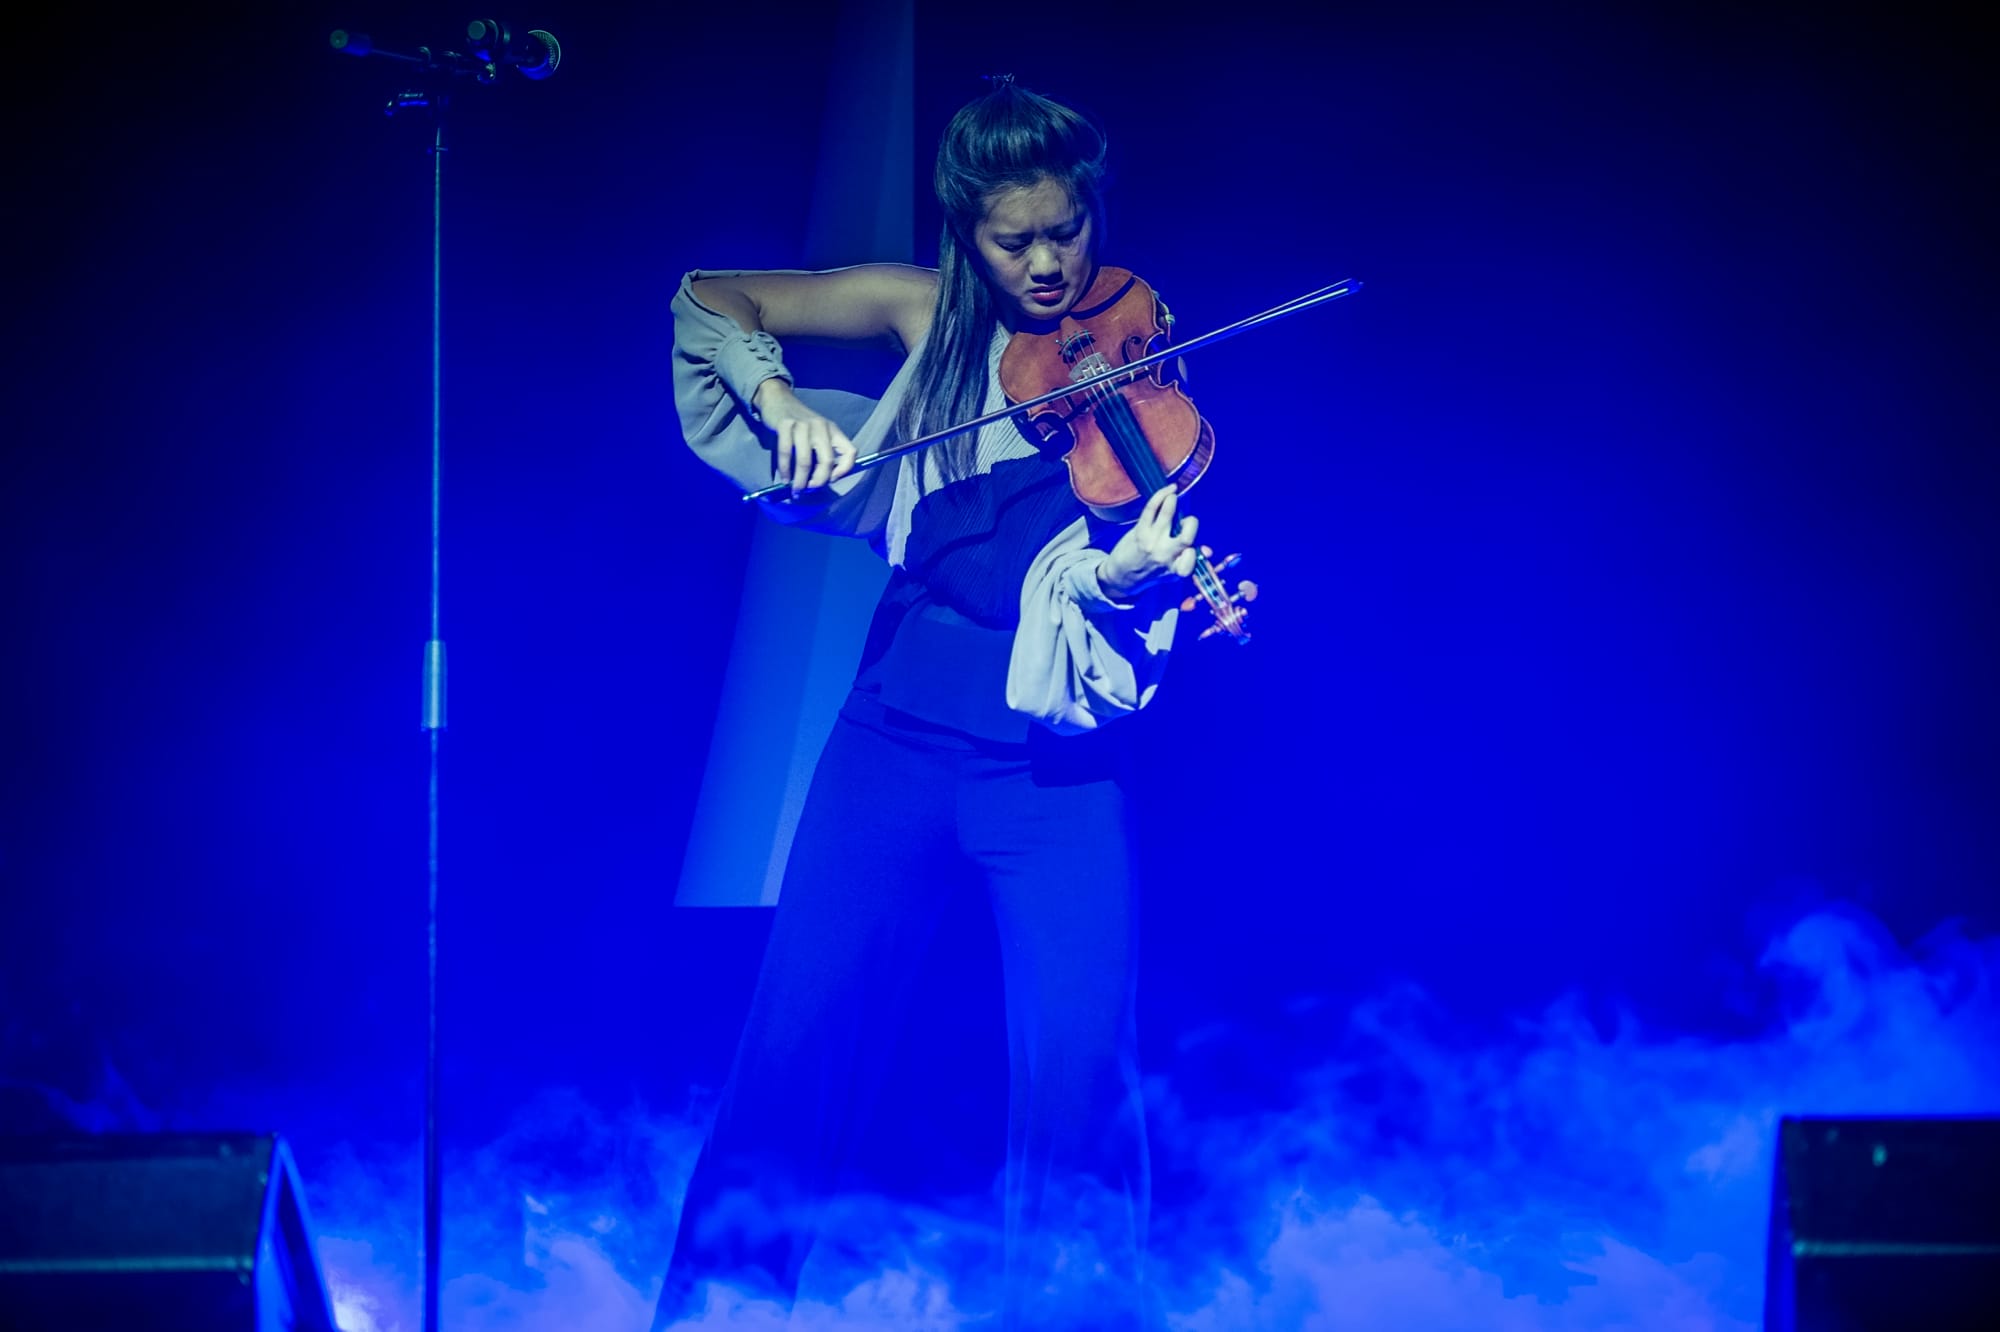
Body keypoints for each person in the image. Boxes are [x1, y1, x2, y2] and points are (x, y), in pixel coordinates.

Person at [653, 80, 1201, 1331]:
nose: (1047, 265)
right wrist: (783, 403)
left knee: (1080, 1084)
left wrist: (1132, 577)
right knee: (794, 1051)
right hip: (891, 743)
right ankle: (715, 1316)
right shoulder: (922, 310)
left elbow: (1111, 575)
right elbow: (712, 297)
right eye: (1014, 241)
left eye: (1066, 230)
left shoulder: (1138, 353)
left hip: (1053, 776)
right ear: (968, 232)